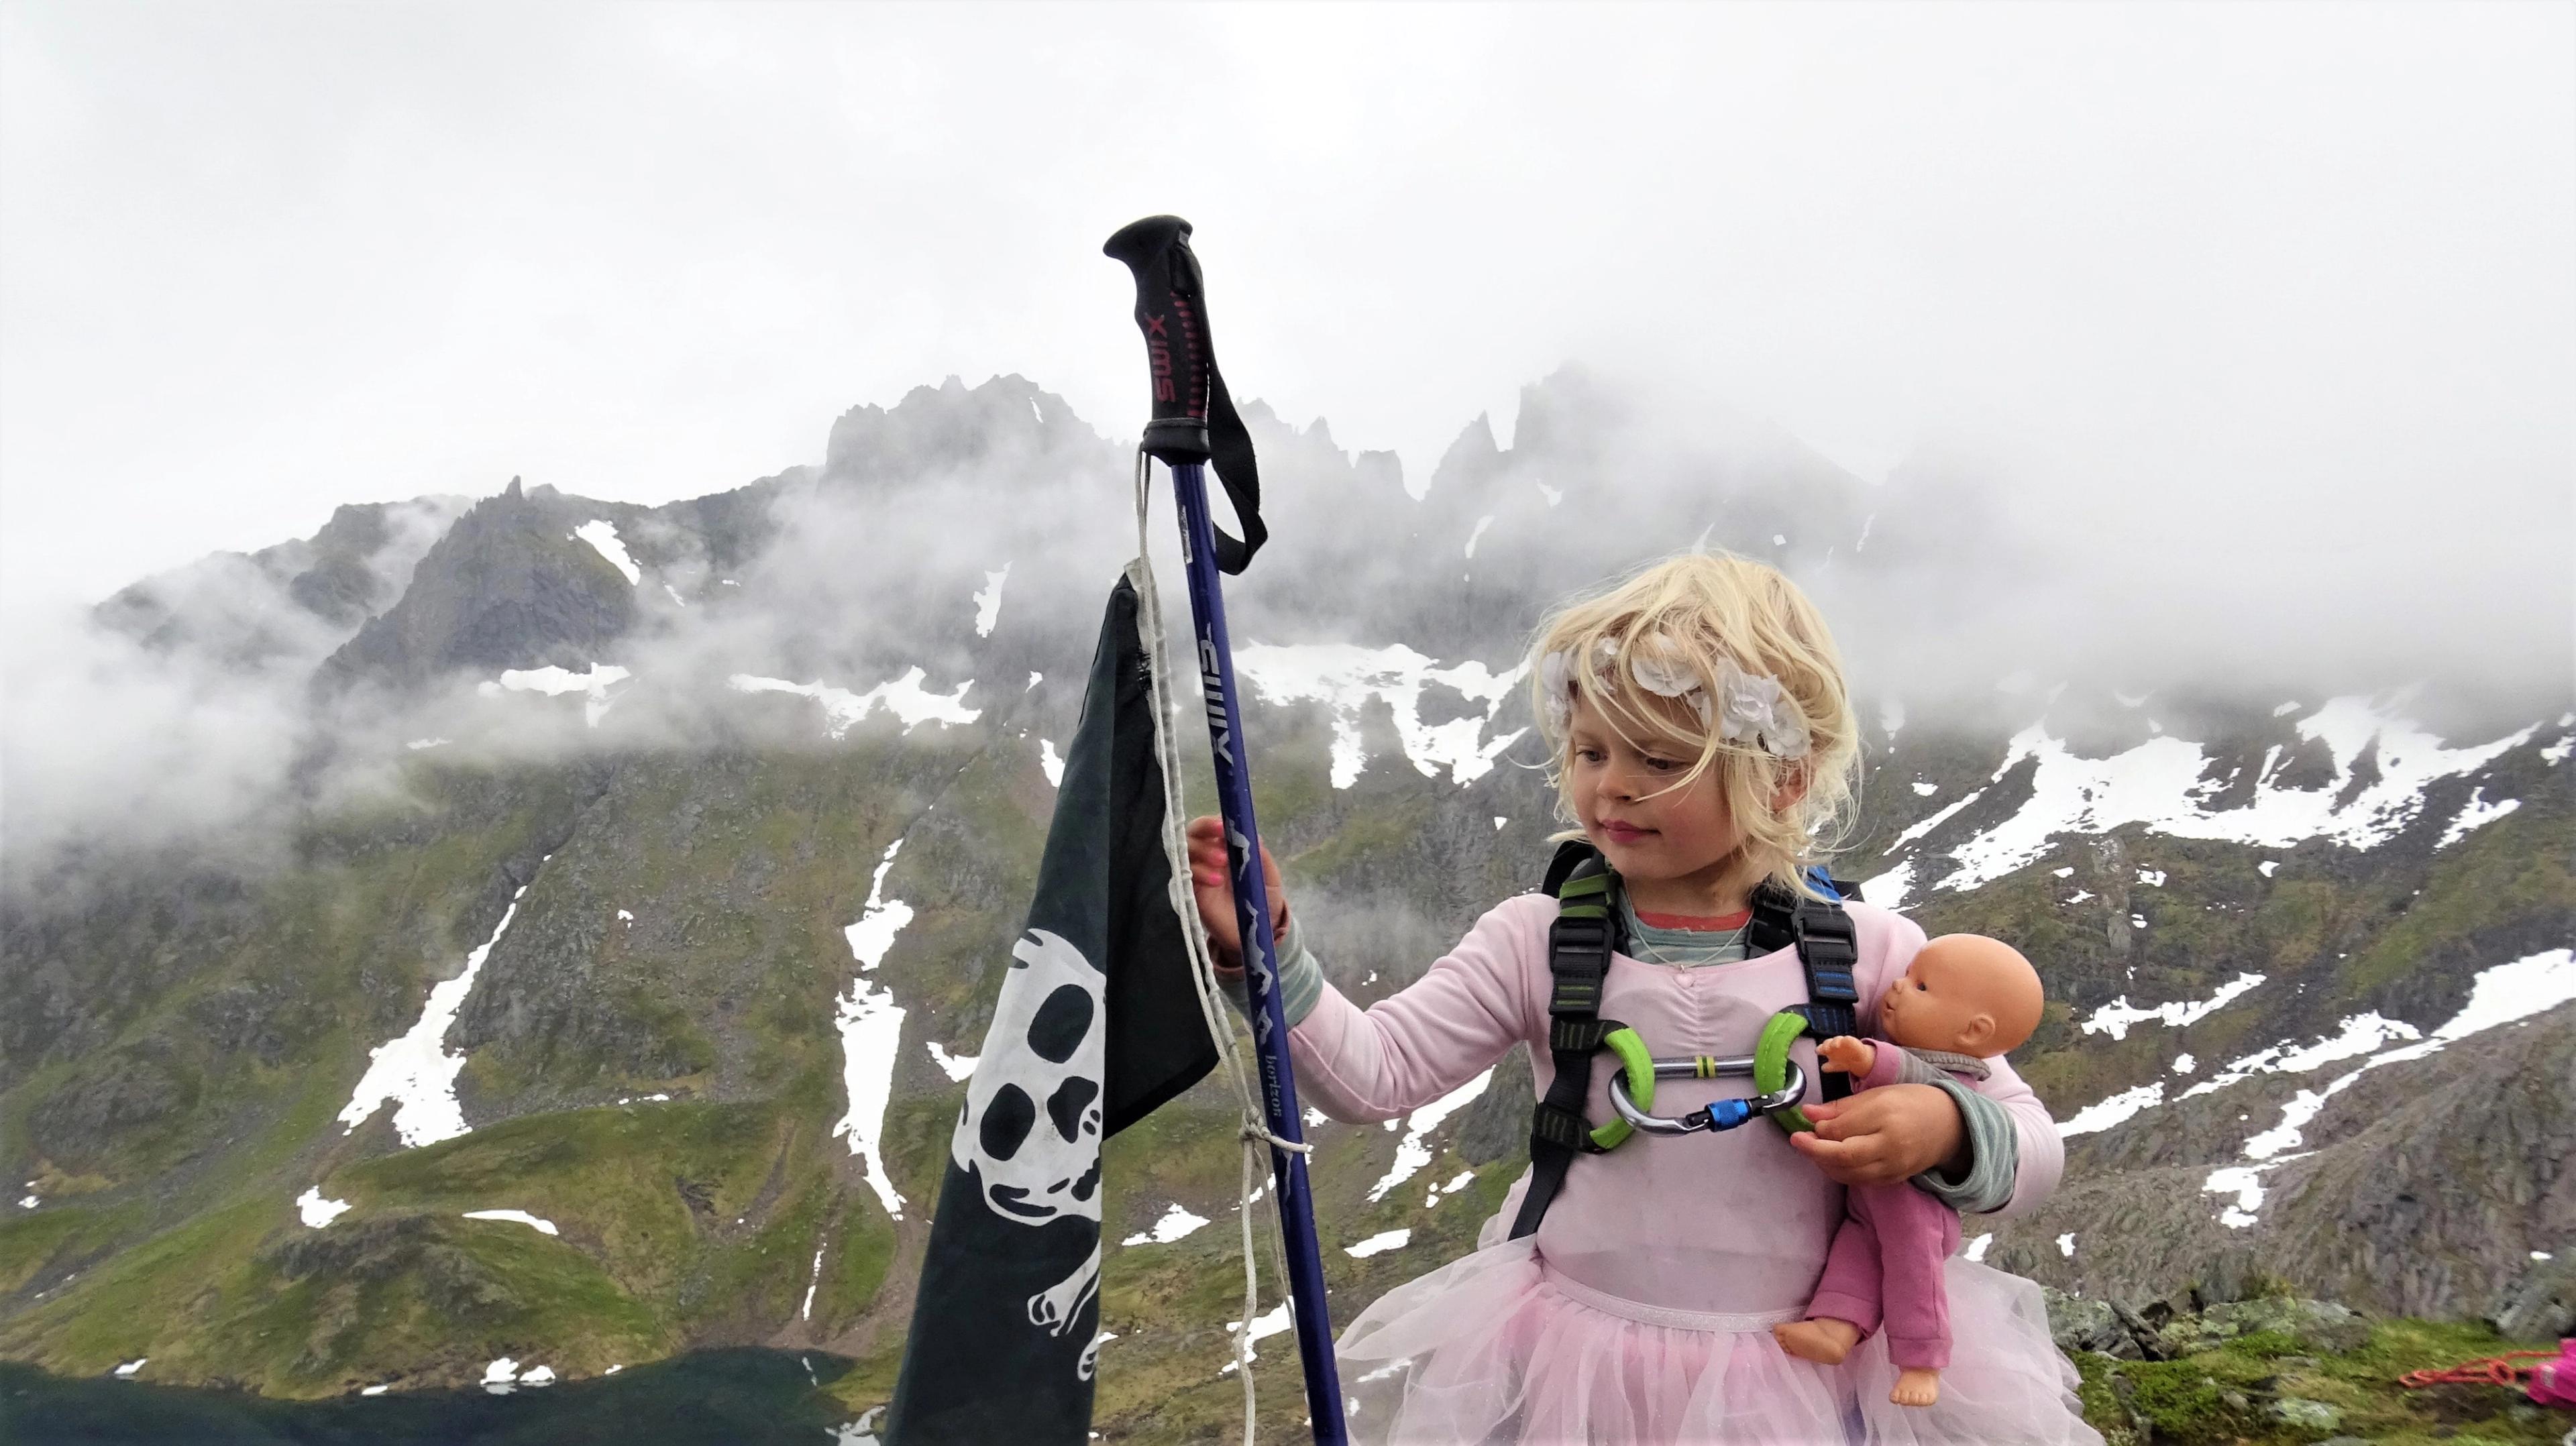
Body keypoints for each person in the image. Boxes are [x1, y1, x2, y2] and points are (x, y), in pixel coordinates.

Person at [1187, 552, 2100, 1444]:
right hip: (1571, 1370)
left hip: (1804, 1377)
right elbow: (1376, 1077)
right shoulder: (1534, 940)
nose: (1611, 783)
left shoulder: (1875, 957)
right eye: (1589, 750)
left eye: (1660, 759)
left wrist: (1946, 1125)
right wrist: (1265, 954)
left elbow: (2032, 1145)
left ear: (1783, 776)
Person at [1773, 934, 2048, 1410]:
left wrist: (1863, 1058)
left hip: (1916, 1211)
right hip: (1870, 1202)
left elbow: (1905, 1073)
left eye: (1920, 987)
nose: (1897, 987)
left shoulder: (1951, 1074)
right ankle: (1836, 1328)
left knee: (1914, 1279)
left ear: (1973, 1033)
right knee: (1857, 1257)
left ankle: (1923, 1359)